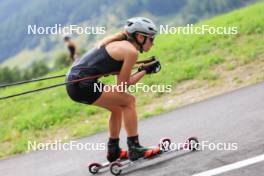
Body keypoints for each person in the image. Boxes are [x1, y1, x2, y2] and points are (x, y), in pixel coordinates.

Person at [66, 17, 161, 162]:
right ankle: (134, 148)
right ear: (140, 37)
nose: (152, 44)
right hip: (83, 85)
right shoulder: (131, 52)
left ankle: (113, 151)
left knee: (117, 107)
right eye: (151, 39)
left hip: (74, 84)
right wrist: (145, 71)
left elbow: (121, 85)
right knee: (129, 101)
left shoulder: (122, 46)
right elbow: (123, 86)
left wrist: (142, 68)